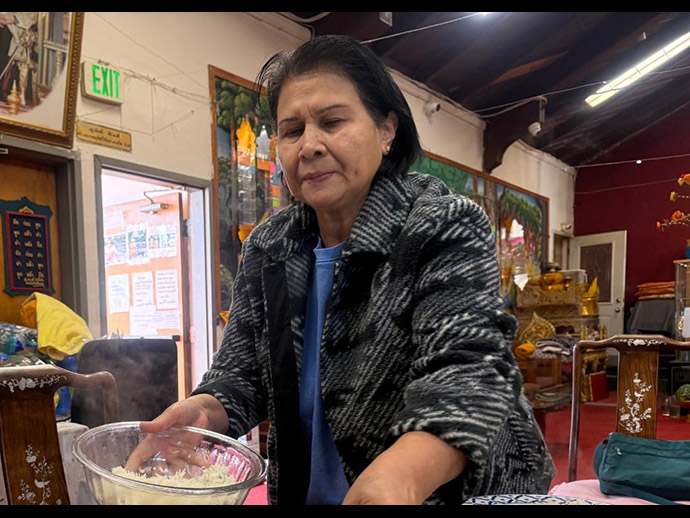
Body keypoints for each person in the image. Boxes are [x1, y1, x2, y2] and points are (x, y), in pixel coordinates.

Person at [140, 34, 555, 505]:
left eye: (333, 122)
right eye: (292, 131)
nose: (310, 146)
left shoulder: (440, 225)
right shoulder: (270, 247)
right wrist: (204, 411)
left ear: (386, 129)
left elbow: (466, 373)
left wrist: (400, 477)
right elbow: (244, 374)